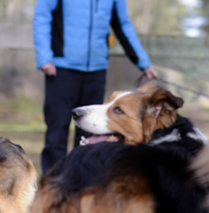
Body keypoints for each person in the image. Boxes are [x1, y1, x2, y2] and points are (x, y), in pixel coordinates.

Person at [33, 0, 158, 173]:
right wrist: (45, 57)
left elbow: (123, 25)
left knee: (91, 134)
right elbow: (42, 16)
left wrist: (143, 62)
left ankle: (82, 184)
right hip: (61, 68)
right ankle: (52, 187)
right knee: (56, 134)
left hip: (96, 70)